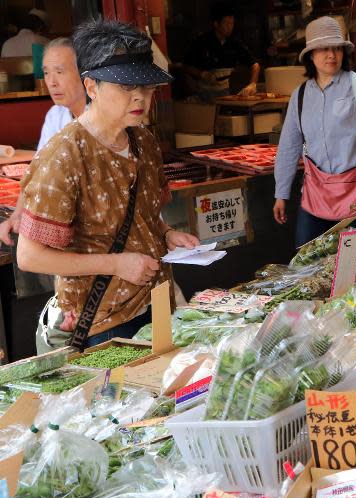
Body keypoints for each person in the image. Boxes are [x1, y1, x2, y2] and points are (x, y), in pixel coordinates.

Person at [16, 20, 199, 351]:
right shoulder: (64, 155)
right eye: (126, 87)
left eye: (146, 87)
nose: (140, 98)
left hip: (157, 301)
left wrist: (166, 233)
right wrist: (116, 263)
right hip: (101, 319)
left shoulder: (143, 139)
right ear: (92, 87)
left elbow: (144, 213)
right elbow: (29, 257)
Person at [272, 17, 356, 247]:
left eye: (336, 48)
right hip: (316, 192)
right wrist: (281, 193)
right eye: (323, 49)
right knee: (305, 257)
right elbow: (289, 146)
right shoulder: (300, 95)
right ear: (310, 55)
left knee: (352, 262)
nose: (331, 55)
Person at [0, 38, 86, 246]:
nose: (52, 82)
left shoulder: (102, 116)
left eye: (60, 71)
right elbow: (37, 171)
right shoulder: (56, 115)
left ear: (85, 73)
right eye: (46, 72)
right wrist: (17, 215)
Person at [183, 4, 260, 99]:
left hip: (225, 93)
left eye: (232, 23)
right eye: (226, 23)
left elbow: (255, 65)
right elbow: (186, 66)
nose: (230, 27)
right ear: (216, 24)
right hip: (203, 93)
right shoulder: (202, 41)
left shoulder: (235, 43)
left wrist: (252, 84)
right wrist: (203, 74)